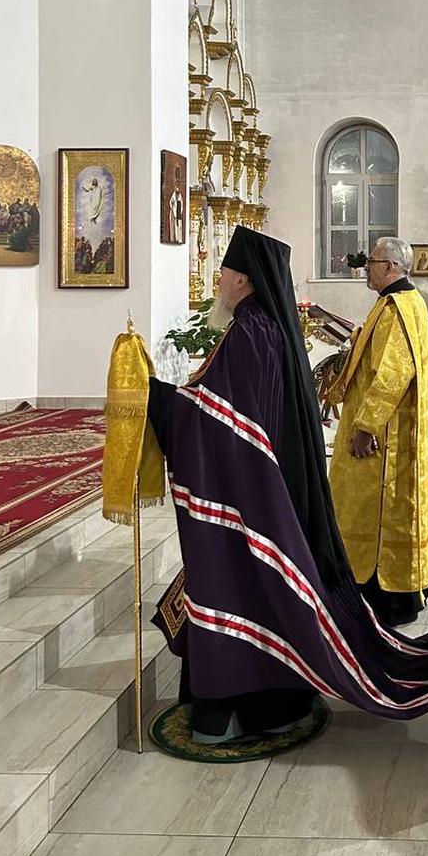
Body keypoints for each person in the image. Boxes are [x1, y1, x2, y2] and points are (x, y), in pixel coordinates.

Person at [147, 225, 349, 743]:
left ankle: (243, 708)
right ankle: (277, 704)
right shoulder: (264, 326)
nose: (216, 281)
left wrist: (156, 398)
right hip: (262, 485)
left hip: (249, 495)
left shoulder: (251, 332)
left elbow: (219, 419)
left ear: (242, 280)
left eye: (223, 273)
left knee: (243, 587)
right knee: (262, 591)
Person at [327, 236, 428, 626]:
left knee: (375, 510)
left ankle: (385, 598)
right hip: (396, 426)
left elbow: (392, 375)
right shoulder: (401, 302)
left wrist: (366, 426)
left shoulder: (396, 307)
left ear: (392, 267)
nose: (368, 268)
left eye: (374, 262)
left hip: (386, 436)